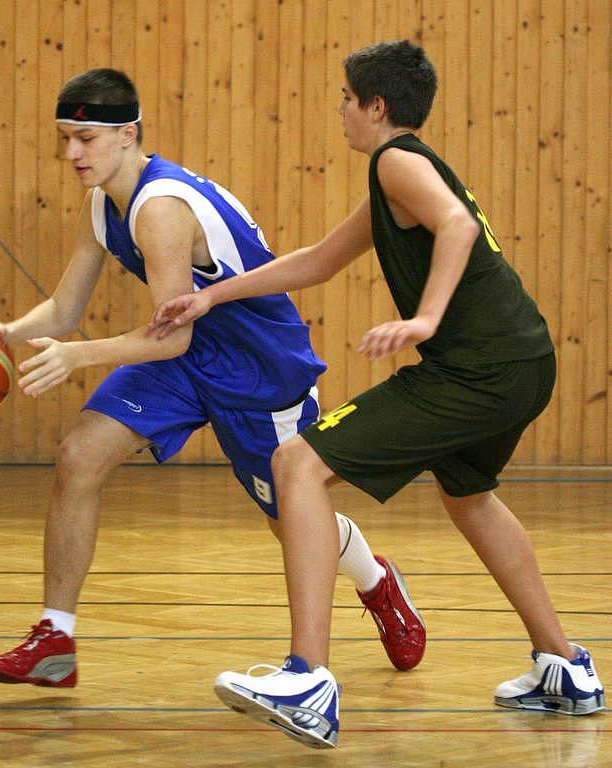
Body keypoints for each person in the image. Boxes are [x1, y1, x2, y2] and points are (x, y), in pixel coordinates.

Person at [150, 41, 605, 750]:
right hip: (523, 361)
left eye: (345, 97)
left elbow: (453, 225)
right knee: (470, 497)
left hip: (475, 368)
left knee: (296, 464)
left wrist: (423, 319)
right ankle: (564, 668)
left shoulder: (397, 160)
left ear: (376, 106)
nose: (339, 107)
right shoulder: (393, 176)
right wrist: (210, 297)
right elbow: (317, 261)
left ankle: (307, 679)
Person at [0, 68, 426, 692]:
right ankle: (55, 638)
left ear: (127, 134)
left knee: (290, 517)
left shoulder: (160, 209)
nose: (72, 153)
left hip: (257, 367)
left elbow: (171, 332)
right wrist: (5, 331)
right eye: (66, 138)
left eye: (86, 138)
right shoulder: (104, 202)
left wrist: (78, 357)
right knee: (78, 456)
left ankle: (376, 581)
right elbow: (66, 310)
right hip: (183, 361)